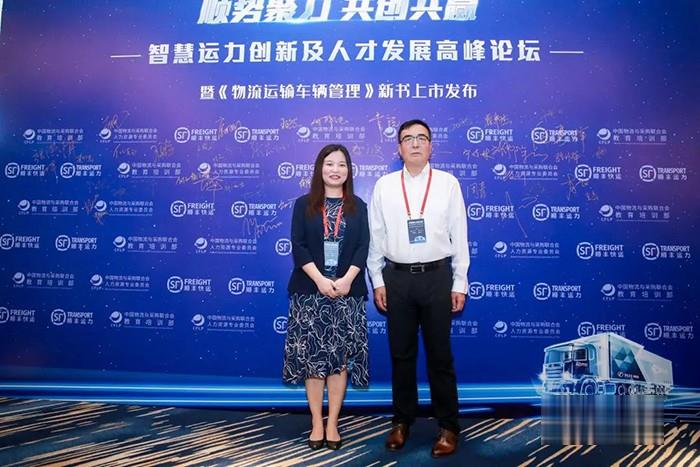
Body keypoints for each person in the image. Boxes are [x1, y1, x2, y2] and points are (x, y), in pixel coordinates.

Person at [367, 119, 470, 458]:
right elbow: (376, 237)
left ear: (431, 146)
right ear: (398, 148)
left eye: (421, 138)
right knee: (401, 355)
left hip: (437, 277)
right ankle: (401, 421)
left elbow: (460, 235)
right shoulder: (384, 186)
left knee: (440, 356)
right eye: (408, 139)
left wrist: (460, 281)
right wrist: (378, 279)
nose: (415, 143)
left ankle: (448, 426)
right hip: (397, 279)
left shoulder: (448, 183)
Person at [283, 143, 370, 451]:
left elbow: (363, 246)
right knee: (313, 361)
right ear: (320, 169)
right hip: (310, 292)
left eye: (342, 164)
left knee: (339, 361)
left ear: (349, 170)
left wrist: (346, 280)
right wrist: (320, 280)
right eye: (330, 163)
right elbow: (298, 246)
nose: (336, 169)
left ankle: (332, 422)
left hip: (347, 293)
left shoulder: (358, 206)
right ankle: (316, 422)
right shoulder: (303, 204)